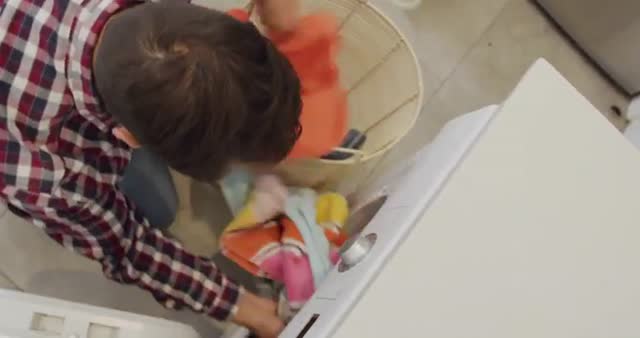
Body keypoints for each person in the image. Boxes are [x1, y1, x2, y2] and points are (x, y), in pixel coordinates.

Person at [0, 0, 301, 336]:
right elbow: (126, 244)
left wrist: (281, 19)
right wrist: (243, 307)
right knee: (159, 208)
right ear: (127, 137)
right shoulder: (42, 168)